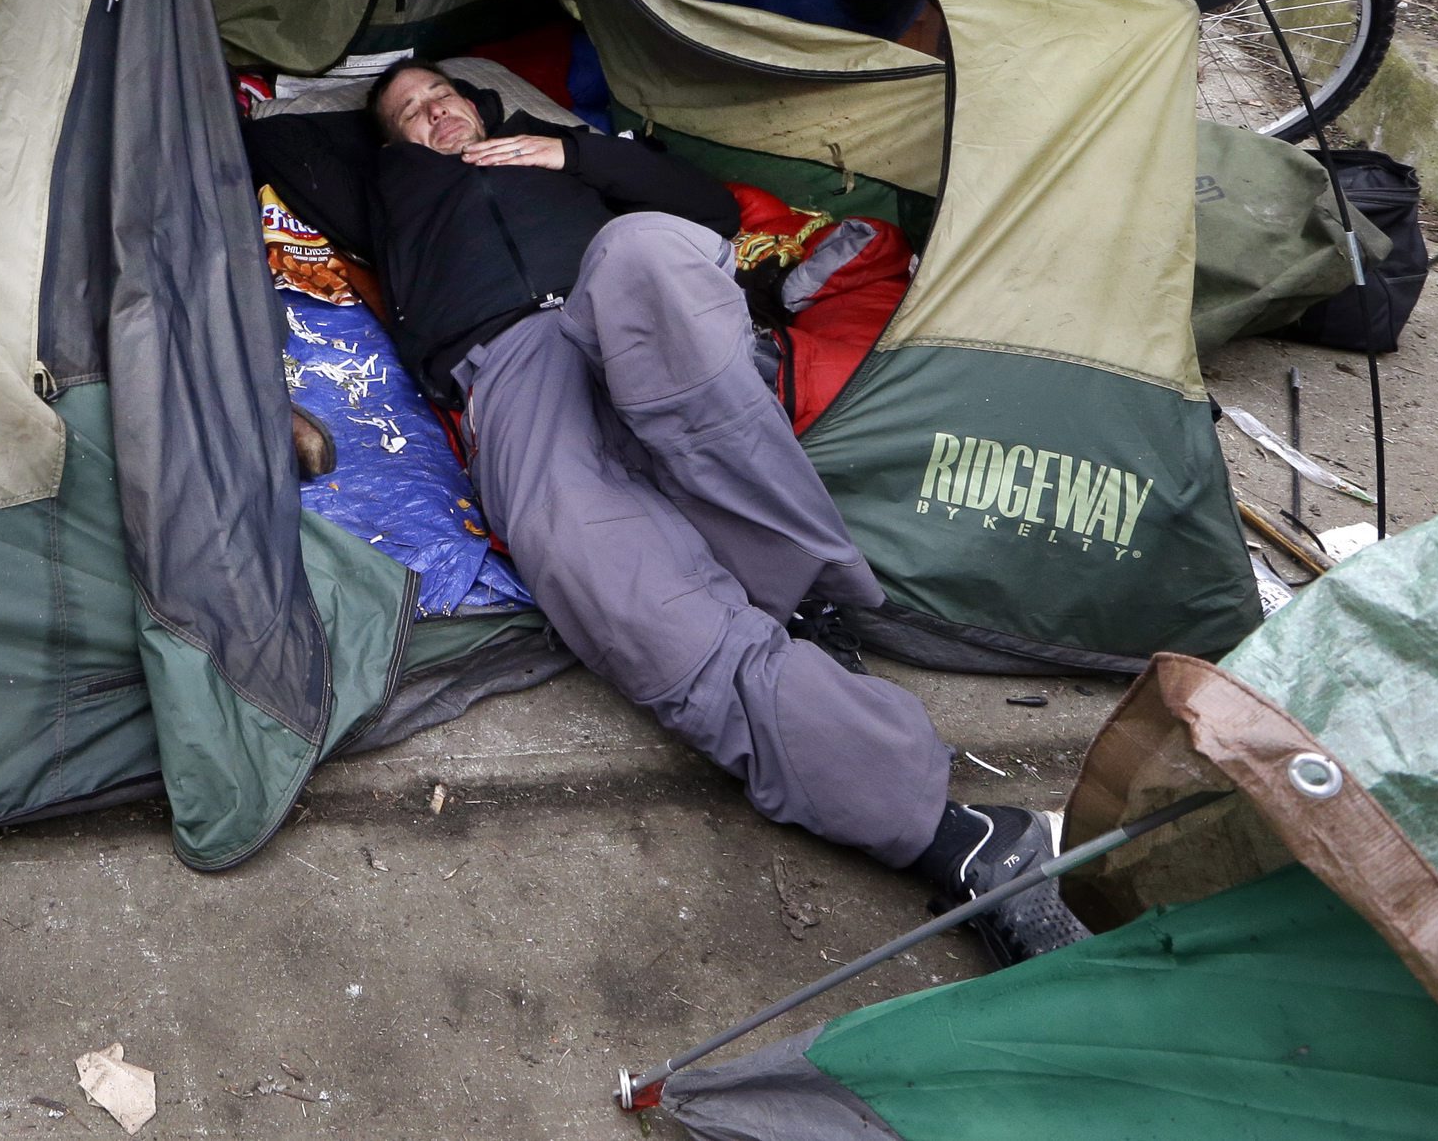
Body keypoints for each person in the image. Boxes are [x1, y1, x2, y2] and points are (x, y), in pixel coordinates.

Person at [364, 57, 1086, 967]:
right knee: (593, 568)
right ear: (390, 141)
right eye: (407, 114)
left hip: (627, 302)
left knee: (645, 253)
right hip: (506, 367)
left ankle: (798, 583)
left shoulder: (563, 153)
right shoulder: (392, 188)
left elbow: (704, 210)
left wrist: (572, 154)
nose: (433, 113)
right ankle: (953, 834)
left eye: (442, 95)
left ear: (476, 101)